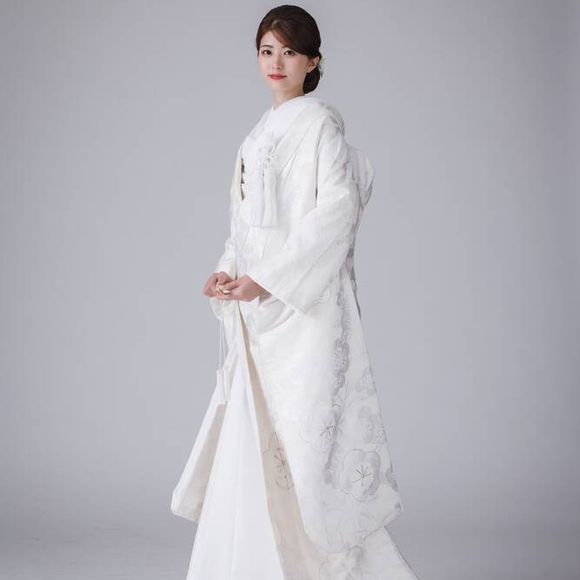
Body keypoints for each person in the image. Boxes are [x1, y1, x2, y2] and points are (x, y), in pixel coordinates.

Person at [171, 5, 420, 579]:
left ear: (313, 62)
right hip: (258, 314)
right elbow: (245, 227)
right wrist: (226, 271)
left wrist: (268, 279)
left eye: (289, 52)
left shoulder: (319, 125)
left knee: (307, 454)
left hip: (304, 315)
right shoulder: (255, 136)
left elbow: (335, 212)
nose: (276, 63)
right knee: (257, 438)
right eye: (266, 51)